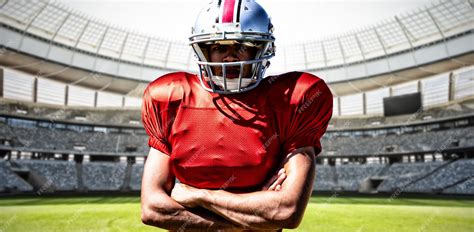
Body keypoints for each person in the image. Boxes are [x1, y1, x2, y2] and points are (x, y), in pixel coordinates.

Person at [140, 0, 333, 231]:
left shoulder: (294, 98)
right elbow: (153, 209)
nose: (230, 58)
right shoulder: (170, 97)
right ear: (204, 51)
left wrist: (199, 196)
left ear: (260, 49)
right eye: (220, 48)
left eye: (241, 47)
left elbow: (286, 211)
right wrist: (249, 222)